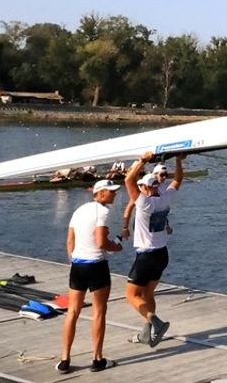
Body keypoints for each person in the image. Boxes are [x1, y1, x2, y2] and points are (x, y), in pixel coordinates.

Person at [57, 179, 125, 374]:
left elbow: (70, 240)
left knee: (73, 312)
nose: (114, 194)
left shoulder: (79, 211)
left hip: (78, 266)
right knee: (99, 312)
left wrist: (74, 261)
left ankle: (64, 360)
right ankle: (97, 359)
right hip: (97, 267)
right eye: (111, 191)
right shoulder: (103, 212)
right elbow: (101, 242)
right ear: (100, 193)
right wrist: (117, 247)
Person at [123, 151, 184, 347]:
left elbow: (128, 180)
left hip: (146, 256)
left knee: (131, 295)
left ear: (146, 188)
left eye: (142, 187)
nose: (139, 189)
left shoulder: (144, 202)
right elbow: (178, 180)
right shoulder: (166, 198)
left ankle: (156, 322)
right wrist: (178, 162)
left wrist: (141, 161)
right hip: (162, 254)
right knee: (148, 294)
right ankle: (147, 333)